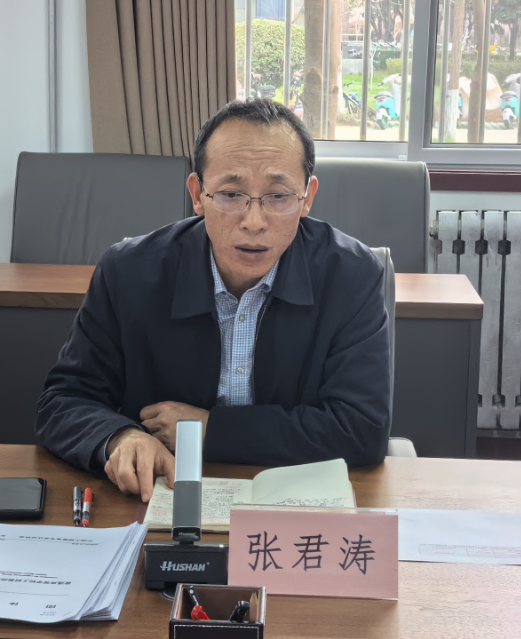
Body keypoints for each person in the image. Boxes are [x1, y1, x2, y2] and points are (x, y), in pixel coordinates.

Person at [36, 99, 390, 502]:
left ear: (307, 197)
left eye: (278, 196)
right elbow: (63, 400)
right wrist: (118, 437)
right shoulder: (129, 271)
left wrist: (209, 430)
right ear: (197, 194)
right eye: (230, 194)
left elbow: (363, 428)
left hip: (296, 499)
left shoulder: (351, 274)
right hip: (158, 495)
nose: (253, 222)